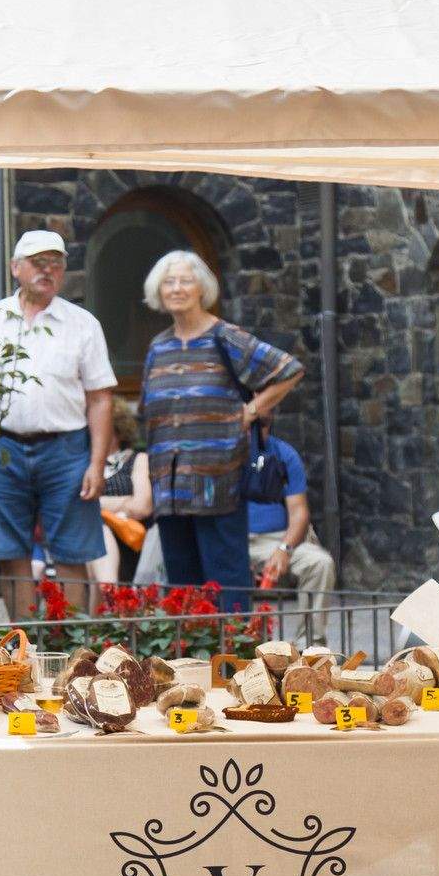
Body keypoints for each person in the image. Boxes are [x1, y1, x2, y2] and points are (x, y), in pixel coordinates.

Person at [0, 231, 115, 620]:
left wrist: (97, 464)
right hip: (2, 446)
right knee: (9, 552)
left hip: (66, 448)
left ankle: (72, 643)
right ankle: (24, 641)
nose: (48, 270)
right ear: (16, 268)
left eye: (56, 263)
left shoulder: (82, 324)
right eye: (38, 262)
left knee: (72, 553)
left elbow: (100, 398)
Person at [140, 250, 302, 612]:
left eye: (185, 280)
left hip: (218, 482)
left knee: (226, 582)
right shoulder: (158, 347)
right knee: (183, 589)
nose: (177, 288)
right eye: (169, 282)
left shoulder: (224, 337)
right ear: (158, 291)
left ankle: (236, 645)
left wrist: (249, 412)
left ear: (202, 288)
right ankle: (190, 648)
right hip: (170, 490)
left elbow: (288, 369)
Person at [246, 430, 336, 606]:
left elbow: (299, 513)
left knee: (320, 563)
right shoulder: (220, 454)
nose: (257, 432)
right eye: (252, 425)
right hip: (231, 541)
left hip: (275, 541)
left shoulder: (283, 454)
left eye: (263, 425)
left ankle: (312, 626)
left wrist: (284, 549)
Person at [89, 397, 152, 589]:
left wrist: (96, 502)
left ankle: (109, 597)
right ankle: (110, 597)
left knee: (100, 534)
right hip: (87, 539)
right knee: (98, 532)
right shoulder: (81, 463)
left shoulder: (138, 459)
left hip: (128, 541)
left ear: (116, 428)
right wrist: (124, 502)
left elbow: (142, 507)